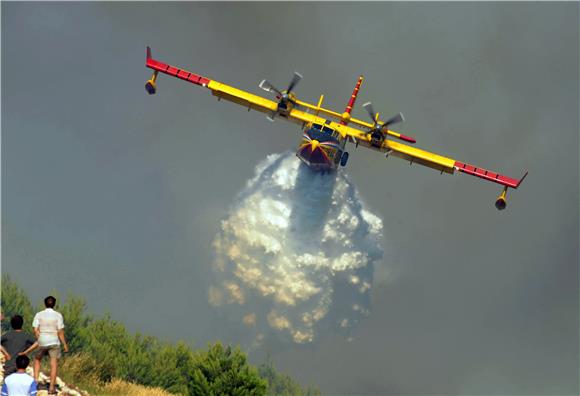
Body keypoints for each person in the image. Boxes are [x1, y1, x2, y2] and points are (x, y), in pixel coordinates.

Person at [30, 296, 68, 395]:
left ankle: (35, 382)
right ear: (54, 304)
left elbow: (35, 328)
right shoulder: (58, 315)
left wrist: (39, 336)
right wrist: (64, 345)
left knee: (37, 359)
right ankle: (51, 387)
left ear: (45, 304)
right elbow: (60, 332)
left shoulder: (39, 314)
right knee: (53, 364)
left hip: (42, 341)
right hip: (54, 341)